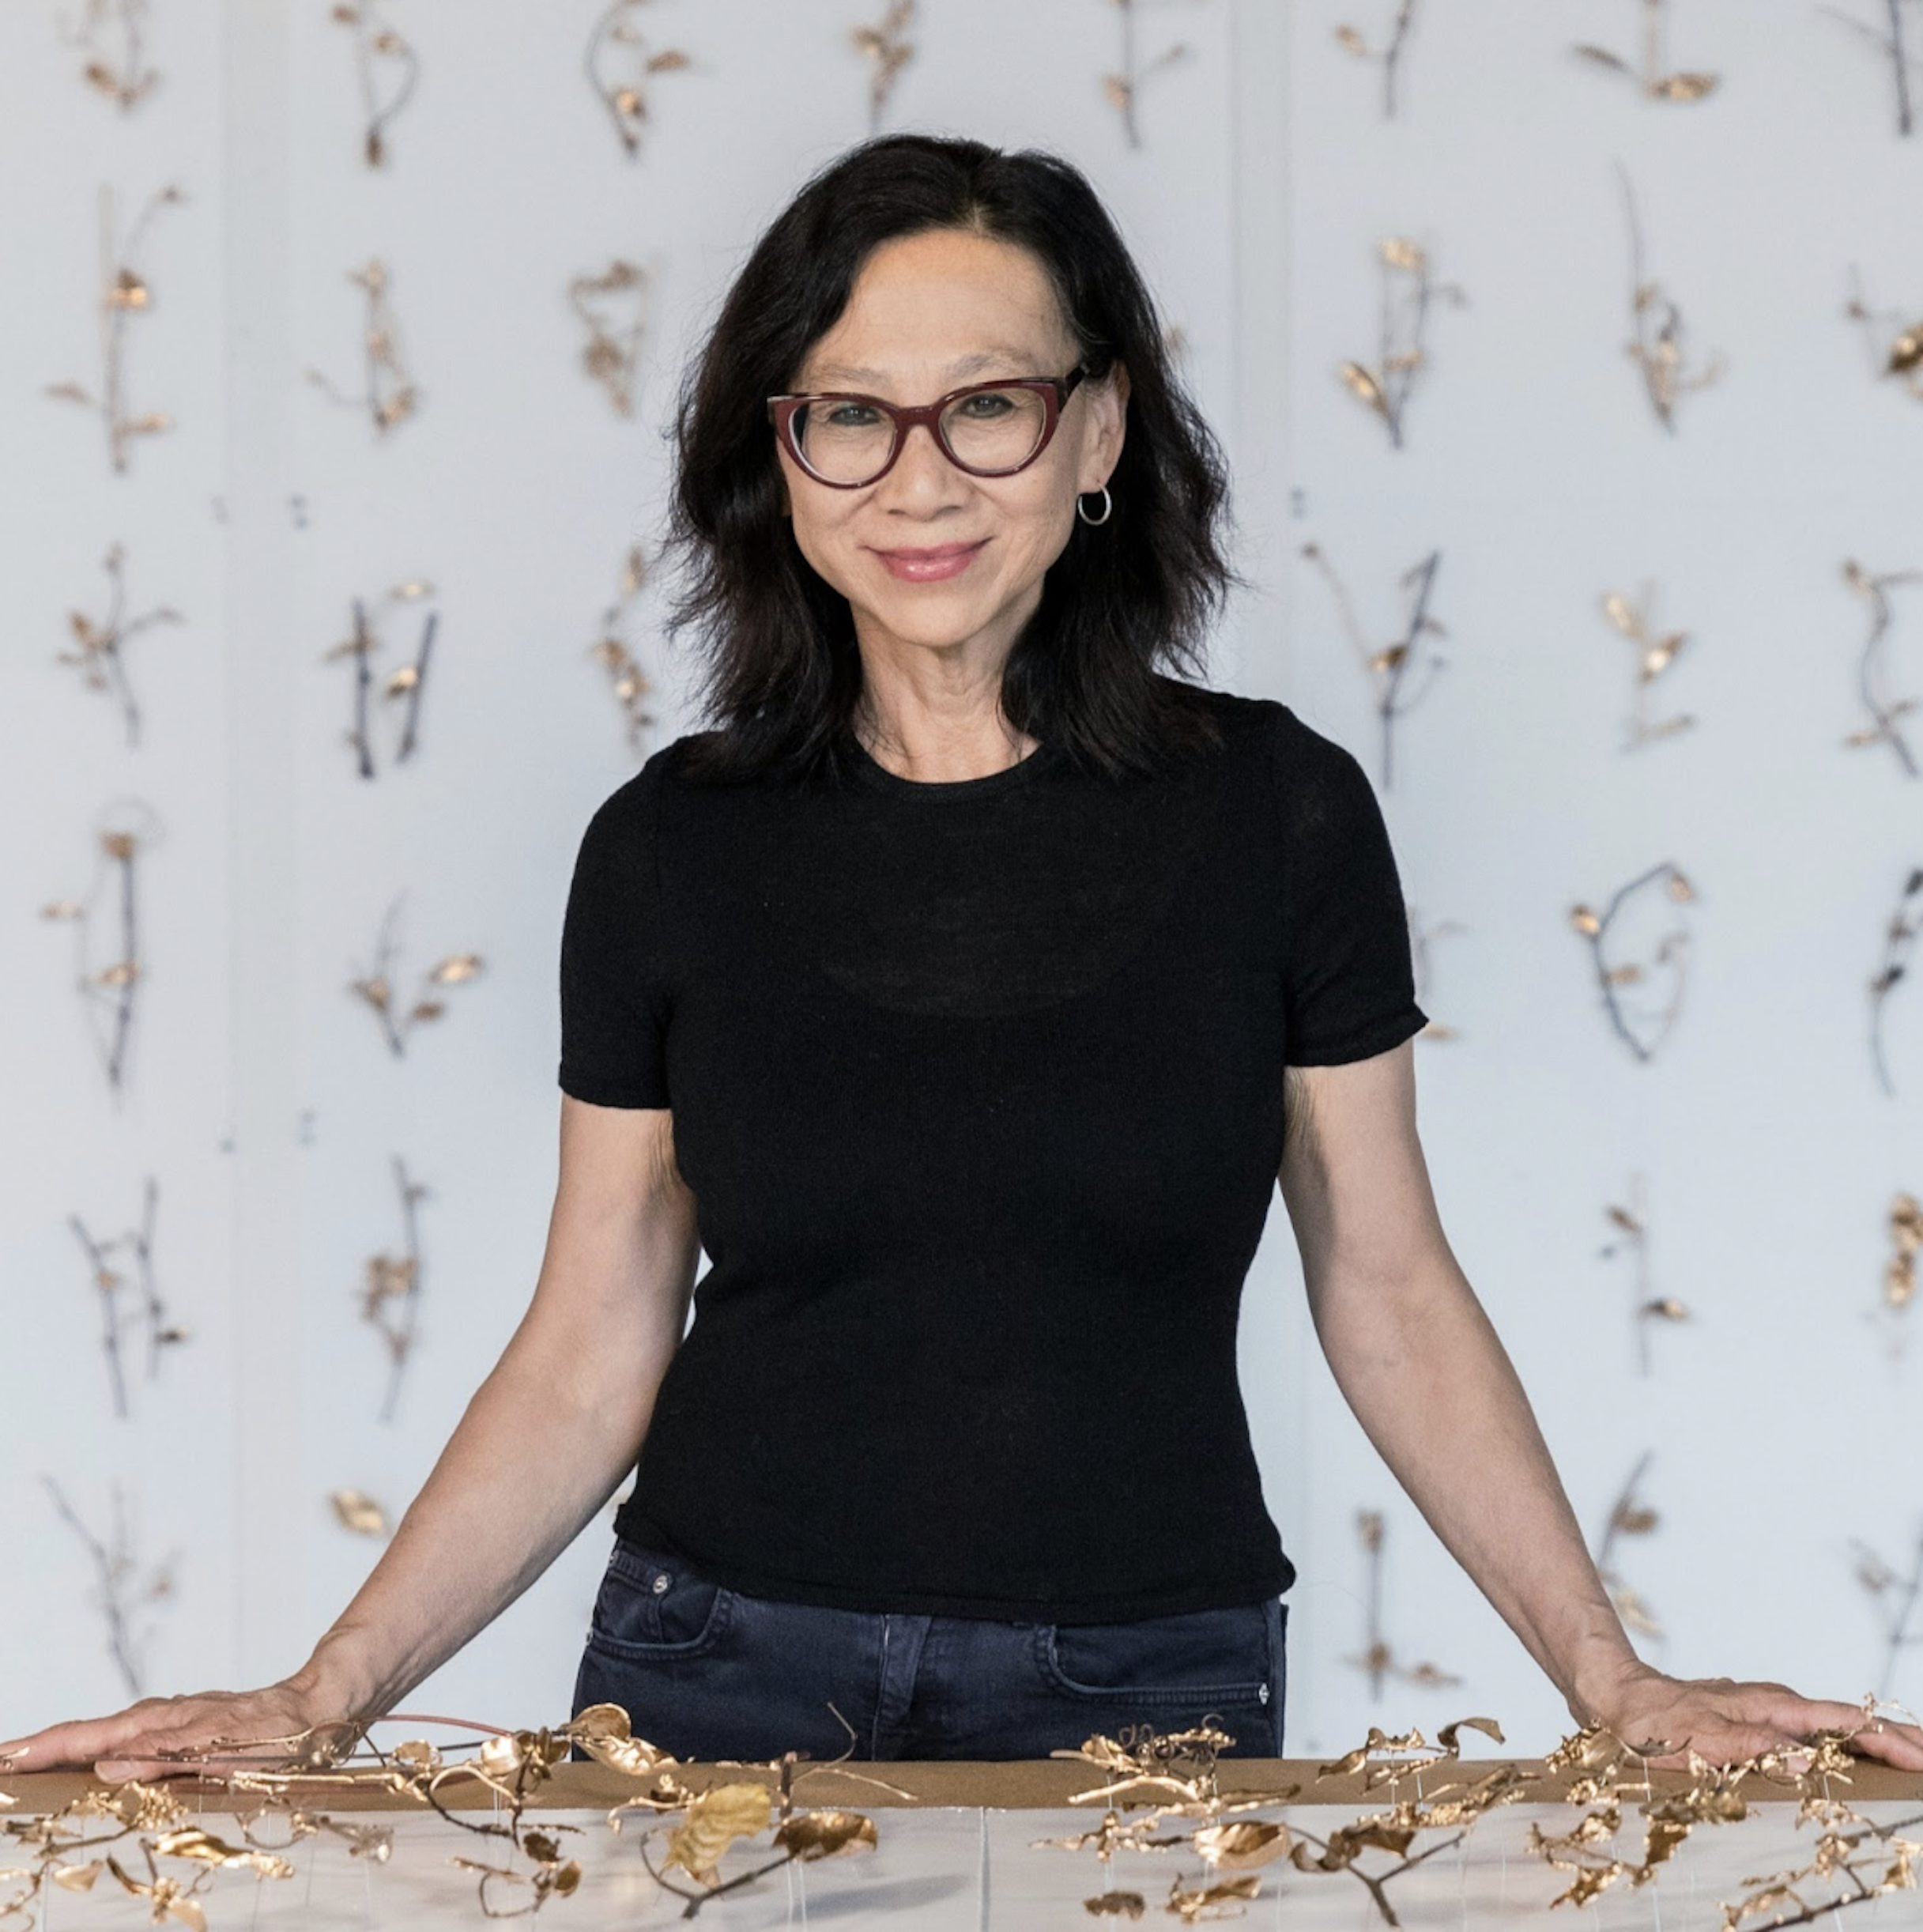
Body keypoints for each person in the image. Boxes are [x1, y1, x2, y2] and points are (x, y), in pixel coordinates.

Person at [6, 134, 1920, 1782]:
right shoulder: (668, 844)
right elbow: (593, 1336)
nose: (916, 483)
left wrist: (1608, 1679)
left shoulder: (1278, 811)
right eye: (850, 411)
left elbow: (1390, 1285)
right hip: (708, 1683)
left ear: (1093, 430)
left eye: (984, 405)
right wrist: (322, 1694)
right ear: (780, 450)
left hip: (1145, 1694)